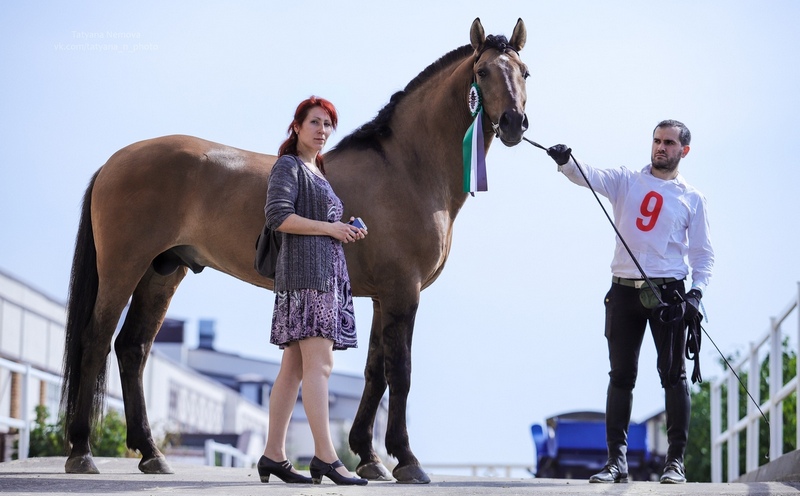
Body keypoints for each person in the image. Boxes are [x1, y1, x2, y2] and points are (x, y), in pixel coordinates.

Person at [545, 120, 714, 484]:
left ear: (684, 150)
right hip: (622, 291)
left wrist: (696, 293)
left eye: (669, 143)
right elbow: (588, 175)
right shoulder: (626, 181)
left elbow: (702, 256)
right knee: (621, 376)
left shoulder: (692, 198)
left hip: (668, 294)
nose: (660, 147)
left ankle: (675, 463)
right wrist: (565, 161)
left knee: (673, 376)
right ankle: (615, 461)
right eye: (656, 140)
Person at [257, 96, 368, 486]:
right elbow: (278, 216)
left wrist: (346, 225)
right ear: (297, 126)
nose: (322, 131)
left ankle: (273, 454)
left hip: (321, 275)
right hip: (307, 279)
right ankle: (326, 457)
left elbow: (323, 220)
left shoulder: (316, 169)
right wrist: (330, 228)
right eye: (315, 122)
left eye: (327, 125)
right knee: (319, 367)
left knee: (293, 370)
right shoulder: (288, 166)